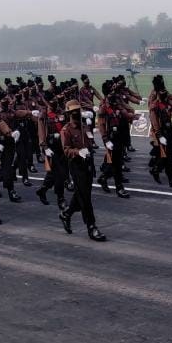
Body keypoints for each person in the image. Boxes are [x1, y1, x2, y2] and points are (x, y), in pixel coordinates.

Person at [59, 100, 106, 242]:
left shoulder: (85, 126)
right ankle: (91, 226)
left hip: (88, 165)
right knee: (85, 198)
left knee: (81, 195)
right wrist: (78, 152)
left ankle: (66, 214)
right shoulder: (66, 130)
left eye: (77, 111)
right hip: (77, 166)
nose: (76, 113)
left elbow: (90, 143)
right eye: (73, 112)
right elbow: (66, 150)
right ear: (69, 114)